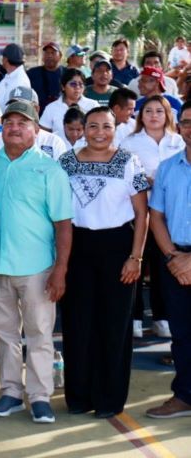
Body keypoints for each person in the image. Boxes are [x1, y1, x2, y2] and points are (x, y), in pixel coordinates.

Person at [0, 100, 73, 424]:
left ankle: (39, 396)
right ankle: (10, 392)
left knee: (39, 334)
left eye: (23, 123)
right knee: (4, 333)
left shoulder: (50, 169)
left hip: (38, 268)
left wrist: (60, 270)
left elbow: (63, 224)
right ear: (2, 128)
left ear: (36, 129)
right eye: (9, 122)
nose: (15, 128)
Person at [59, 107, 148, 418]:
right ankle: (79, 397)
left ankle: (109, 398)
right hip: (77, 247)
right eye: (93, 126)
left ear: (116, 129)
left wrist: (135, 257)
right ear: (82, 128)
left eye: (106, 126)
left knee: (114, 325)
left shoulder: (128, 161)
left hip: (117, 248)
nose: (99, 132)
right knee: (77, 324)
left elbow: (142, 214)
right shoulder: (66, 161)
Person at [121, 94, 184, 339]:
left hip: (170, 216)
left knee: (163, 268)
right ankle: (135, 317)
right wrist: (146, 180)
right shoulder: (130, 142)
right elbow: (126, 175)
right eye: (148, 111)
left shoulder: (178, 141)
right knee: (136, 263)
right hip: (138, 214)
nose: (154, 115)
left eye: (159, 111)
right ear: (140, 115)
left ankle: (161, 317)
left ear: (168, 115)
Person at [146, 100, 191, 419]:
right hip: (174, 258)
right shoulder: (168, 167)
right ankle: (185, 396)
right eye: (187, 121)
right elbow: (156, 215)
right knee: (182, 334)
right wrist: (174, 257)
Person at [0, 87, 69, 161]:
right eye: (13, 105)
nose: (17, 109)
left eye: (23, 106)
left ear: (36, 109)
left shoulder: (53, 142)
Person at [39, 68, 98, 142]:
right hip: (59, 151)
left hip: (87, 151)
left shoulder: (93, 106)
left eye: (81, 84)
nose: (77, 87)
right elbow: (43, 135)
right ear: (63, 87)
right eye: (73, 84)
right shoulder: (51, 108)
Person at [26, 42, 63, 112]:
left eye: (53, 53)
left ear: (60, 56)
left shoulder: (67, 73)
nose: (49, 56)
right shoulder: (32, 73)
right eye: (47, 53)